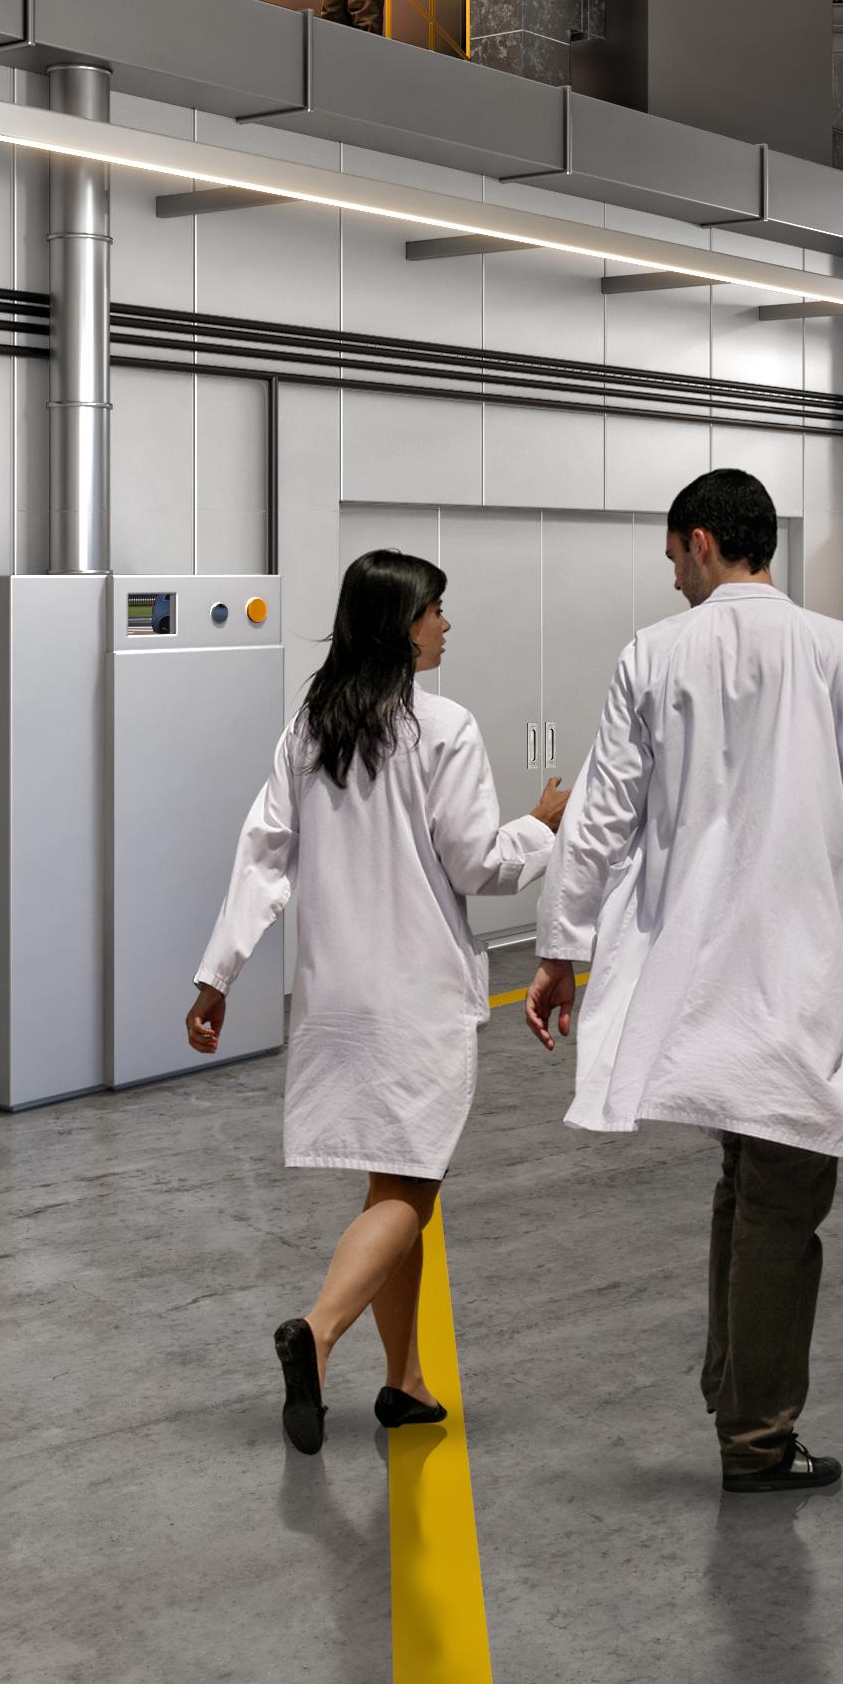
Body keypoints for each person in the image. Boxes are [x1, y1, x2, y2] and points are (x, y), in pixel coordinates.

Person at [527, 469, 843, 1495]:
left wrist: (558, 952)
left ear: (699, 543)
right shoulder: (838, 650)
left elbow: (598, 817)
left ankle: (731, 1384)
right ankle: (757, 1439)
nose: (670, 575)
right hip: (794, 977)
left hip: (695, 983)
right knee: (783, 1205)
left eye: (669, 557)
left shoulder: (652, 655)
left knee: (747, 1185)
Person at [190, 550, 563, 1454]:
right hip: (416, 995)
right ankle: (316, 1337)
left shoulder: (309, 728)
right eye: (437, 610)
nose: (446, 626)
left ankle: (405, 1383)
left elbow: (262, 855)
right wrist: (542, 828)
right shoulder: (443, 727)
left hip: (333, 996)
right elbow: (480, 862)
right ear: (403, 624)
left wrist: (217, 975)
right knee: (413, 1186)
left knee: (392, 1181)